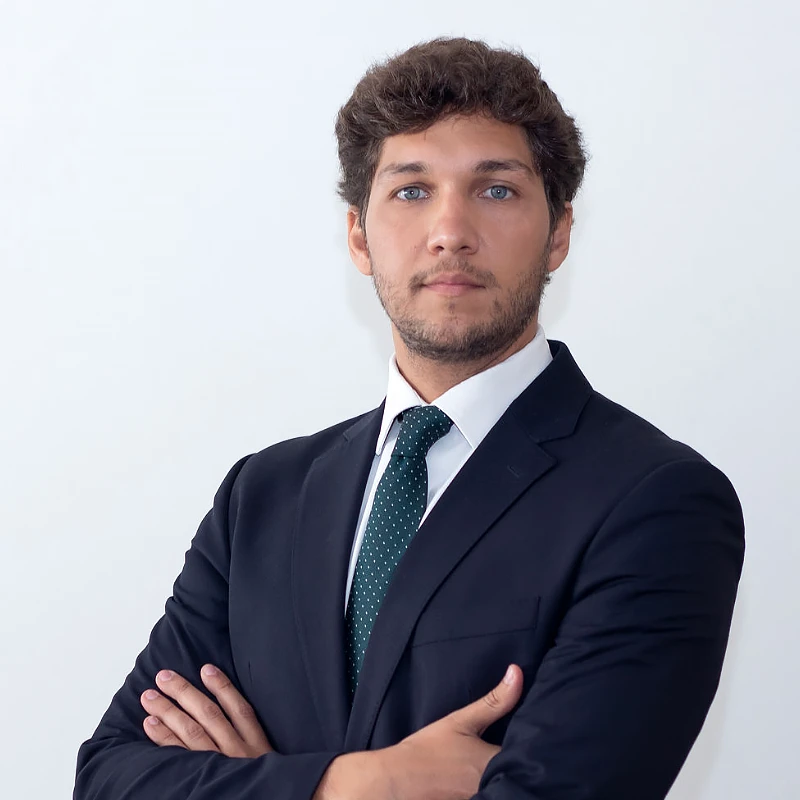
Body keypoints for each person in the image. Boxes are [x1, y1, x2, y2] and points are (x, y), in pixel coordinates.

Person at [73, 37, 745, 800]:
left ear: (559, 231)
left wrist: (256, 781)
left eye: (496, 190)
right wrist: (361, 783)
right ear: (359, 235)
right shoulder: (262, 496)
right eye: (410, 190)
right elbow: (110, 779)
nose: (450, 230)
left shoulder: (656, 501)